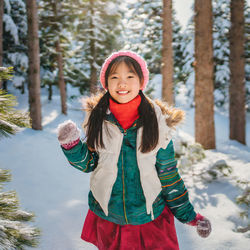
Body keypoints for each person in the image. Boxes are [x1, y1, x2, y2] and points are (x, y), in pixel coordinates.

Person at [57, 51, 211, 250]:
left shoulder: (157, 124)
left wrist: (190, 216)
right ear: (106, 83)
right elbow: (90, 164)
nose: (122, 83)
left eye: (130, 76)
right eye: (115, 77)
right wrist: (72, 146)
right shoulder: (97, 119)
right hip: (110, 217)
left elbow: (169, 175)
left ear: (141, 82)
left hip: (149, 218)